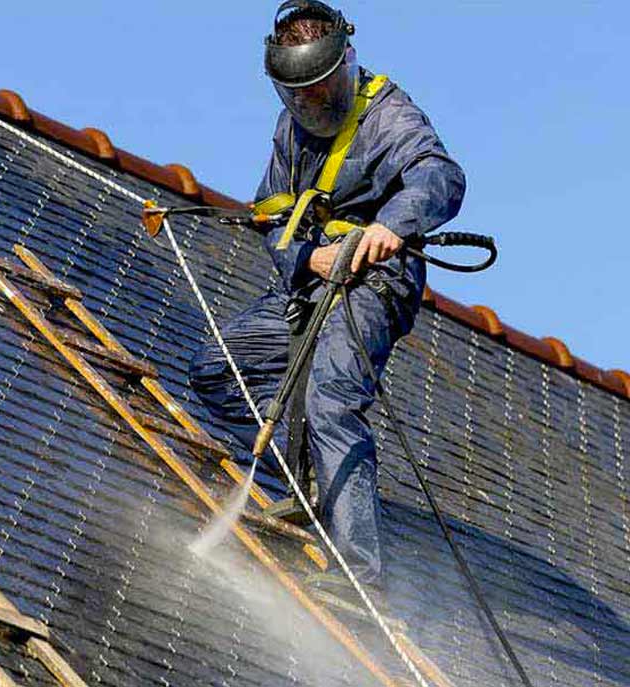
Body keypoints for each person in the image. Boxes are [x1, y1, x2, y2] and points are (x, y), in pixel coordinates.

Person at [189, 0, 465, 612]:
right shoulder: (292, 129)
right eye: (300, 97)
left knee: (331, 397)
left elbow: (439, 177)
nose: (313, 105)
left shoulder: (388, 115)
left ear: (345, 64)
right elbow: (271, 211)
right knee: (216, 369)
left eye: (323, 90)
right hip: (311, 281)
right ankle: (304, 475)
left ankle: (359, 574)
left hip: (374, 282)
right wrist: (304, 257)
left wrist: (392, 225)